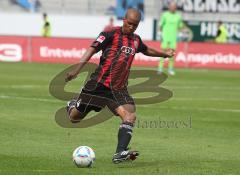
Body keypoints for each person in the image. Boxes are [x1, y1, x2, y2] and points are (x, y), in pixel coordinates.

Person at [65, 8, 175, 164]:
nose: (132, 27)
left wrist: (165, 54)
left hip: (118, 89)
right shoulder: (110, 34)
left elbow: (146, 50)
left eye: (135, 25)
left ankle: (119, 153)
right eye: (129, 23)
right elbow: (92, 49)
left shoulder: (136, 40)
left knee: (130, 115)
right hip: (98, 85)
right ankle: (71, 105)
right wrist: (76, 70)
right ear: (124, 20)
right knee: (74, 118)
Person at [158, 2, 183, 75]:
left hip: (173, 38)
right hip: (165, 37)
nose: (172, 8)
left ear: (176, 7)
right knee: (163, 53)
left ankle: (170, 69)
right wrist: (159, 32)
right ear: (169, 7)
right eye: (171, 6)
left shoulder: (178, 16)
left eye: (174, 6)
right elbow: (160, 24)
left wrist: (181, 33)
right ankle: (160, 68)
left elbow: (180, 26)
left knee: (172, 54)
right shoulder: (165, 15)